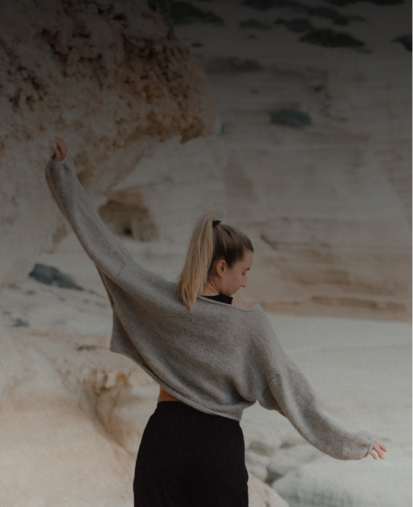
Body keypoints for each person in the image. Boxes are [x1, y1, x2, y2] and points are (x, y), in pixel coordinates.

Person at [47, 136, 387, 507]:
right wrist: (352, 443)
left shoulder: (159, 299)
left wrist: (64, 175)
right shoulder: (248, 321)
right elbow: (289, 388)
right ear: (221, 267)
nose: (245, 282)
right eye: (244, 271)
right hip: (216, 450)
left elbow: (105, 251)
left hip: (163, 444)